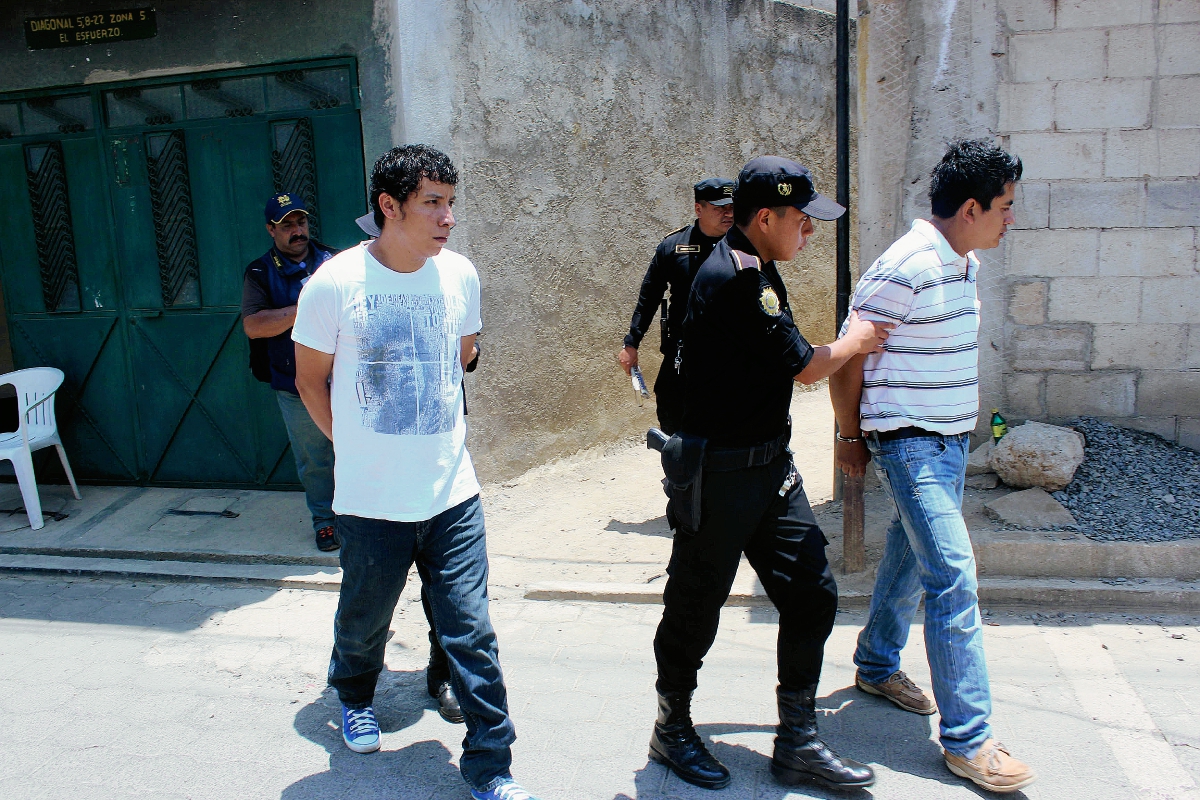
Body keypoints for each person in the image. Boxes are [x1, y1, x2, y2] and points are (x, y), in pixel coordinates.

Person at [292, 144, 540, 800]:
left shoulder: (458, 276)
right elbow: (308, 380)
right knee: (365, 617)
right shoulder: (334, 284)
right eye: (433, 202)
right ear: (389, 207)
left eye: (451, 203)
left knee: (469, 627)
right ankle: (353, 694)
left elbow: (462, 356)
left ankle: (492, 767)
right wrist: (354, 448)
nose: (447, 217)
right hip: (371, 501)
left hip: (452, 493)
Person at [649, 156, 892, 791]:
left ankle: (798, 740)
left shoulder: (759, 267)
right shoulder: (732, 277)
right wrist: (859, 338)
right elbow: (806, 365)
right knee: (695, 606)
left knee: (812, 595)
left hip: (769, 472)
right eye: (803, 220)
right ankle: (672, 728)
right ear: (766, 217)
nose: (811, 232)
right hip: (721, 476)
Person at [830, 138, 1035, 794]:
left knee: (909, 554)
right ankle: (969, 740)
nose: (1011, 218)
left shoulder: (963, 260)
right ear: (970, 207)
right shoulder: (909, 264)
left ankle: (876, 662)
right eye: (1004, 207)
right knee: (952, 574)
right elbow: (849, 357)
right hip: (911, 444)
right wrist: (849, 436)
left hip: (947, 442)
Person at [242, 193, 339, 552]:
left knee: (355, 450)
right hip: (296, 385)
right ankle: (326, 522)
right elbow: (253, 325)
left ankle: (363, 520)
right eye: (287, 225)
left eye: (301, 223)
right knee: (314, 458)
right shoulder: (259, 272)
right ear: (271, 230)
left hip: (344, 379)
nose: (297, 231)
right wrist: (303, 309)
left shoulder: (334, 261)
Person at [618, 178, 734, 433]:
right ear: (698, 209)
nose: (728, 214)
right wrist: (631, 342)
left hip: (730, 354)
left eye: (731, 207)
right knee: (671, 412)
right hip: (684, 353)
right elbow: (648, 297)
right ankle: (677, 468)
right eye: (719, 208)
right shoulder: (673, 248)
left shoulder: (744, 247)